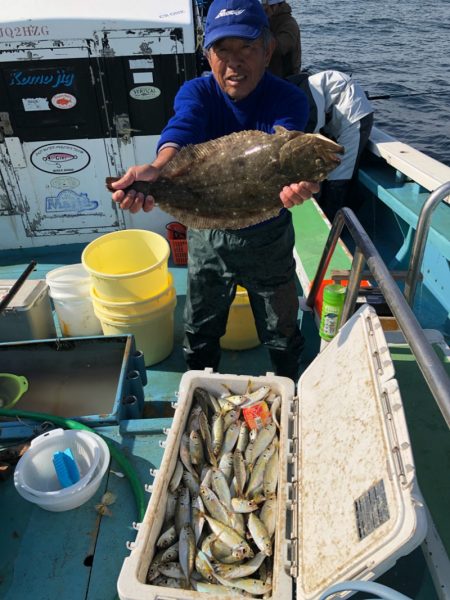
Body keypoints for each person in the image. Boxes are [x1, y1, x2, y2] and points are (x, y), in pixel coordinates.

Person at [110, 0, 319, 381]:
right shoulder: (197, 92)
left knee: (283, 328)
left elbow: (283, 147)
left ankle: (291, 386)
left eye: (247, 49)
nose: (234, 62)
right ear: (208, 54)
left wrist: (299, 182)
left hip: (268, 235)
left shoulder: (289, 98)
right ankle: (201, 387)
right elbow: (182, 128)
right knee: (201, 326)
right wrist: (157, 170)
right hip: (207, 235)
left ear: (268, 49)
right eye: (223, 50)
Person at [291, 69, 374, 221]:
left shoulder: (302, 99)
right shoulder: (298, 88)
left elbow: (310, 135)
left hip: (354, 118)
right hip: (337, 115)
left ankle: (334, 224)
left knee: (340, 175)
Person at [261, 0, 301, 78]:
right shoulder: (269, 21)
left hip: (286, 78)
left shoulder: (289, 24)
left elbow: (280, 48)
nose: (264, 10)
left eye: (266, 9)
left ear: (275, 7)